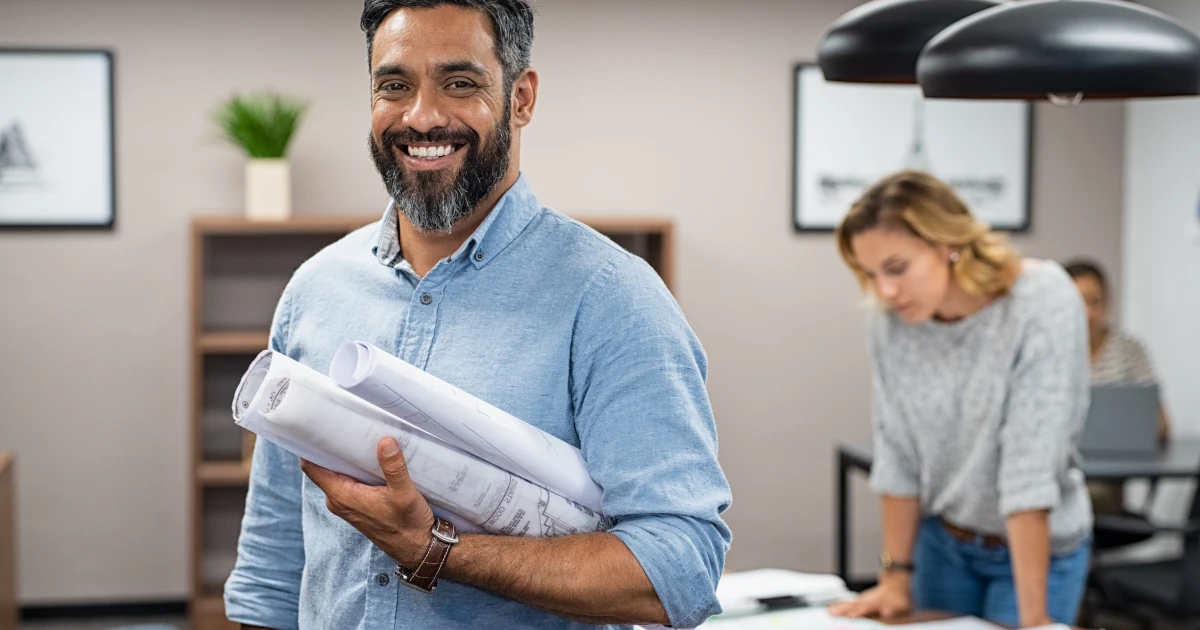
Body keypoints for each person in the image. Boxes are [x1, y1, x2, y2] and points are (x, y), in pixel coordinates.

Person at [222, 2, 732, 629]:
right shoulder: (316, 287)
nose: (422, 116)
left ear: (521, 98)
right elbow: (274, 563)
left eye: (459, 83)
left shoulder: (612, 299)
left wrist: (438, 551)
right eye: (394, 85)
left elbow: (679, 568)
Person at [827, 171, 1093, 627]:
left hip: (1035, 551)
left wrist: (1035, 621)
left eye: (896, 268)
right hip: (943, 544)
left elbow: (1029, 469)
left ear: (948, 243)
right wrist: (895, 577)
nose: (885, 291)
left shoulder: (1041, 300)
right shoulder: (890, 320)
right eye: (870, 274)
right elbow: (898, 453)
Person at [1064, 258, 1170, 547]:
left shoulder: (1129, 350)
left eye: (1094, 301)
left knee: (1081, 500)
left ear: (1107, 303)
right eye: (1077, 302)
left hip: (1106, 481)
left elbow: (1160, 424)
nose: (1086, 312)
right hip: (1059, 473)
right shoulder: (1050, 352)